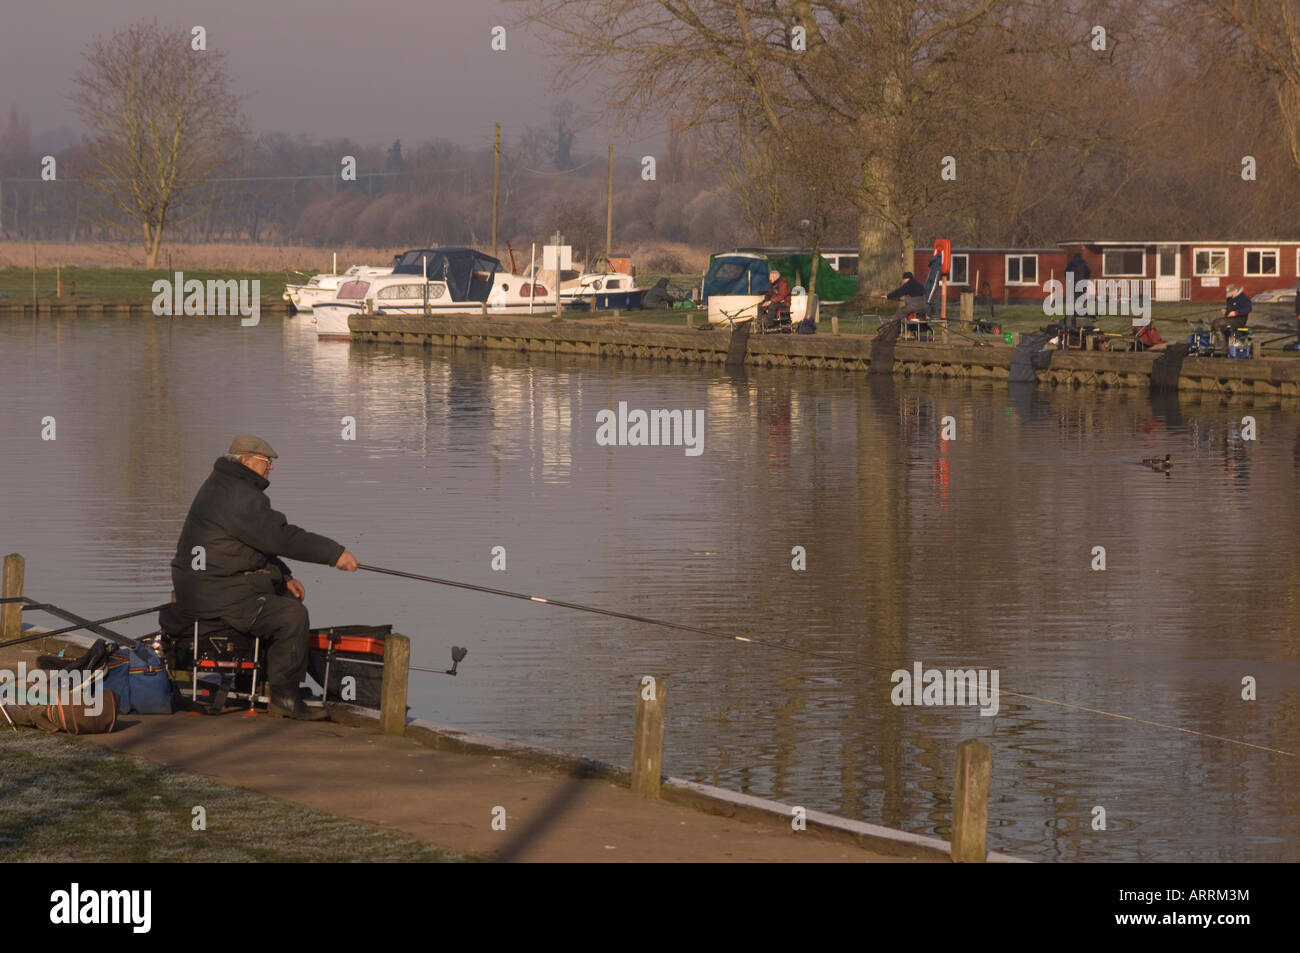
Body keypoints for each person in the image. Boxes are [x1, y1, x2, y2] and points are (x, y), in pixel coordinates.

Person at [170, 435, 358, 721]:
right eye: (266, 462)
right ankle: (285, 696)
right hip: (214, 592)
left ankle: (258, 684)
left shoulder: (223, 486)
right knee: (292, 616)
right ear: (246, 460)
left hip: (205, 585)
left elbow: (251, 546)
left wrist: (283, 577)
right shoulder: (238, 496)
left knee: (284, 596)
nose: (271, 468)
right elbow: (280, 537)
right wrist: (335, 554)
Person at [1211, 284, 1252, 353]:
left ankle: (1222, 345)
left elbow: (1248, 309)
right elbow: (1230, 309)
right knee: (1215, 323)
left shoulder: (1244, 298)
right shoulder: (1230, 299)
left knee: (1217, 323)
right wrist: (1226, 311)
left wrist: (1236, 313)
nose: (1229, 295)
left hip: (1239, 320)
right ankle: (1219, 343)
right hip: (1230, 319)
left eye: (1230, 293)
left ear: (1236, 291)